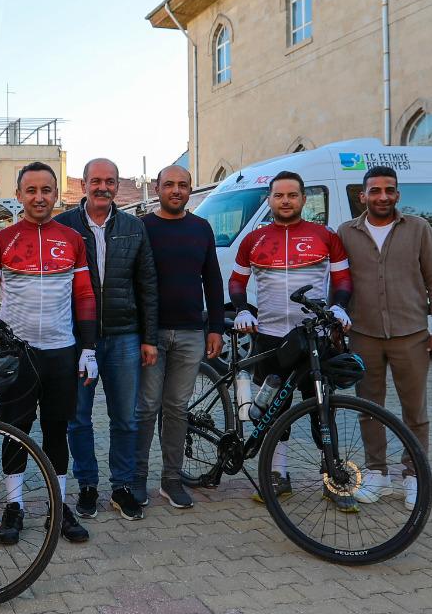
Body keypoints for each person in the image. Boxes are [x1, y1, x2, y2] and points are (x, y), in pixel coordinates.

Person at [0, 161, 94, 547]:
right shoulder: (1, 240)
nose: (39, 197)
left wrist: (89, 348)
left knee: (58, 431)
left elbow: (86, 296)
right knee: (15, 431)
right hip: (18, 353)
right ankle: (15, 505)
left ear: (56, 195)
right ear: (20, 195)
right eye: (31, 190)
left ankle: (58, 506)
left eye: (46, 190)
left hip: (61, 350)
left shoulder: (73, 238)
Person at [228, 170, 353, 508]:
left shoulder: (325, 236)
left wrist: (340, 308)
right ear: (269, 199)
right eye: (279, 195)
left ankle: (332, 477)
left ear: (303, 199)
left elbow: (342, 279)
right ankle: (279, 476)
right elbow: (237, 282)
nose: (285, 201)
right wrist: (242, 310)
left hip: (317, 336)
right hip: (271, 336)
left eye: (292, 195)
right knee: (275, 410)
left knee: (321, 409)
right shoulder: (253, 240)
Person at [337, 165, 432, 510]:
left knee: (414, 410)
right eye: (375, 190)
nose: (382, 196)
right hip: (363, 335)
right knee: (369, 407)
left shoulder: (418, 229)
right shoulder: (346, 232)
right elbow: (337, 282)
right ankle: (376, 474)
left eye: (389, 190)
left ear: (398, 195)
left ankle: (414, 476)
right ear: (363, 196)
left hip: (411, 334)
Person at [56, 158, 158, 520]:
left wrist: (149, 337)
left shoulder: (134, 227)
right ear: (83, 184)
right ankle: (86, 485)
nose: (103, 187)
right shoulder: (63, 226)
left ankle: (122, 486)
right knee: (78, 418)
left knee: (125, 418)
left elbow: (147, 285)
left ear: (117, 186)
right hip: (77, 339)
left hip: (124, 337)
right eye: (96, 180)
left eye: (110, 181)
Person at [135, 164, 224, 510]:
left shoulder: (201, 228)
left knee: (177, 409)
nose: (176, 190)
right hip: (151, 335)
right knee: (146, 409)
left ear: (190, 191)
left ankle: (171, 480)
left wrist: (215, 326)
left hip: (190, 334)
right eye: (169, 184)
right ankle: (136, 480)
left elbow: (212, 280)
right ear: (157, 188)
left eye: (183, 185)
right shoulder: (142, 227)